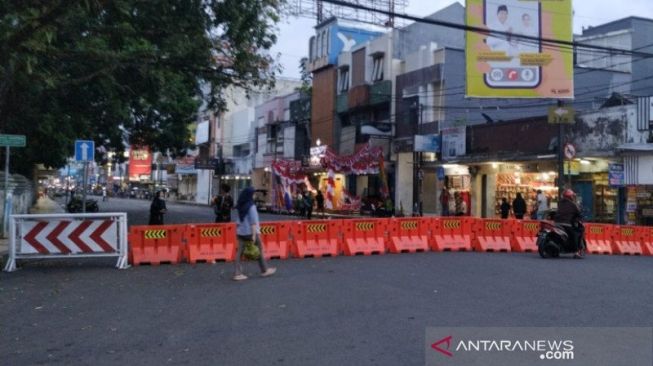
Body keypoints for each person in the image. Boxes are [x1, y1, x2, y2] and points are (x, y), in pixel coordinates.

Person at [233, 187, 276, 281]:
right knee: (259, 249)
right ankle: (264, 270)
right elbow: (253, 222)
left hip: (241, 231)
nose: (254, 195)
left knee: (239, 252)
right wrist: (254, 235)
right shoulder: (251, 206)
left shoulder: (240, 205)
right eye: (253, 194)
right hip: (250, 232)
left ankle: (237, 273)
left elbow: (238, 220)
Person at [555, 189, 583, 258]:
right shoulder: (572, 204)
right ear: (570, 196)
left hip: (557, 223)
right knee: (575, 235)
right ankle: (576, 252)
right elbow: (578, 213)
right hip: (566, 223)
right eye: (572, 196)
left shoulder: (559, 202)